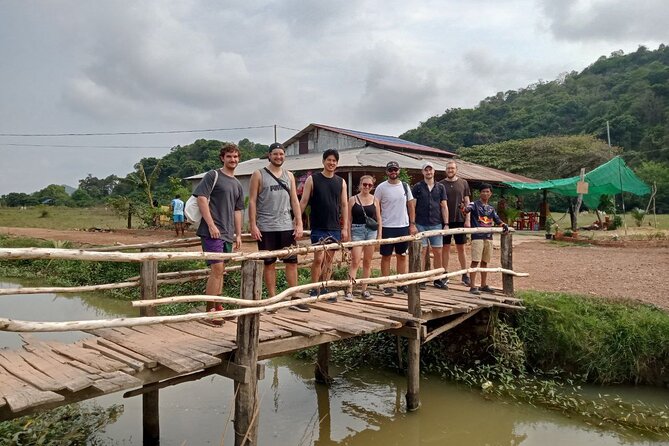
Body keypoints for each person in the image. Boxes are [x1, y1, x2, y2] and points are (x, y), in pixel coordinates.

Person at [249, 142, 306, 311]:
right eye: (275, 154)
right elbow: (252, 201)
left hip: (286, 225)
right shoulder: (258, 174)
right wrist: (253, 224)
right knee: (269, 263)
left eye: (281, 154)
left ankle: (294, 297)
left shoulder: (289, 176)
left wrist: (299, 222)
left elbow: (295, 200)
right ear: (269, 155)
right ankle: (272, 299)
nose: (278, 157)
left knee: (292, 262)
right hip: (266, 226)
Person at [193, 143, 244, 322]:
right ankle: (209, 310)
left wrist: (238, 234)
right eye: (229, 156)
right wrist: (211, 225)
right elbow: (201, 199)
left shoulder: (237, 184)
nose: (233, 160)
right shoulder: (213, 175)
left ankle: (219, 305)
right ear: (222, 158)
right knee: (216, 269)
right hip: (211, 231)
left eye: (236, 157)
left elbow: (238, 211)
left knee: (222, 270)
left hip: (227, 233)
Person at [299, 149, 349, 303]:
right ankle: (314, 288)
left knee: (329, 259)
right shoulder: (313, 179)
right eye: (329, 160)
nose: (331, 163)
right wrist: (297, 221)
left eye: (334, 161)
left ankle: (325, 287)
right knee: (318, 258)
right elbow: (304, 201)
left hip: (334, 226)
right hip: (318, 226)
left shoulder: (341, 182)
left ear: (337, 163)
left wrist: (345, 227)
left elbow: (344, 205)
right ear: (323, 161)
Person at [374, 161, 416, 296]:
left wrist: (412, 224)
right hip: (387, 226)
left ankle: (401, 283)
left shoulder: (405, 186)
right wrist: (378, 225)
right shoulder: (381, 188)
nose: (393, 172)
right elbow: (376, 206)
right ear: (387, 172)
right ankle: (386, 283)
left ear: (399, 171)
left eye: (395, 170)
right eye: (390, 170)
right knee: (386, 256)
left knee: (402, 256)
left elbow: (410, 206)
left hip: (402, 226)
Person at [460, 183, 508, 295]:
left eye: (487, 191)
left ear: (491, 194)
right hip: (477, 237)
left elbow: (497, 220)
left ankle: (483, 284)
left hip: (489, 237)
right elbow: (466, 210)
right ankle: (472, 286)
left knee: (485, 261)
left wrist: (504, 225)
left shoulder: (491, 208)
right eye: (483, 191)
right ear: (480, 193)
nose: (485, 193)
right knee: (475, 261)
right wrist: (463, 208)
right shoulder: (474, 204)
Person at [411, 162, 448, 290]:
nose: (428, 172)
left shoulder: (441, 187)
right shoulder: (417, 187)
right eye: (426, 170)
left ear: (434, 171)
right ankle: (421, 278)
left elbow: (444, 206)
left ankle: (437, 278)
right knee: (422, 251)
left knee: (438, 251)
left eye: (430, 170)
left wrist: (446, 224)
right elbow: (412, 206)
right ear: (423, 172)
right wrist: (412, 223)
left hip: (436, 224)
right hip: (420, 223)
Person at [346, 175, 382, 301]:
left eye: (369, 185)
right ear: (360, 185)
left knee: (367, 262)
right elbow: (349, 219)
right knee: (355, 261)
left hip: (371, 231)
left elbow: (379, 218)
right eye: (365, 184)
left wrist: (379, 235)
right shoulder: (352, 199)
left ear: (372, 187)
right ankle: (349, 289)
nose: (367, 187)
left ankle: (364, 289)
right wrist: (349, 235)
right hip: (356, 230)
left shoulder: (375, 200)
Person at [440, 161, 472, 286]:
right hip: (445, 221)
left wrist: (468, 218)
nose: (450, 170)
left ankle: (465, 274)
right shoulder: (441, 184)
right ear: (445, 170)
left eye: (452, 168)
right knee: (445, 247)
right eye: (448, 168)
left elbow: (467, 201)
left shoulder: (463, 183)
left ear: (456, 169)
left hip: (460, 219)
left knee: (461, 247)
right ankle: (444, 273)